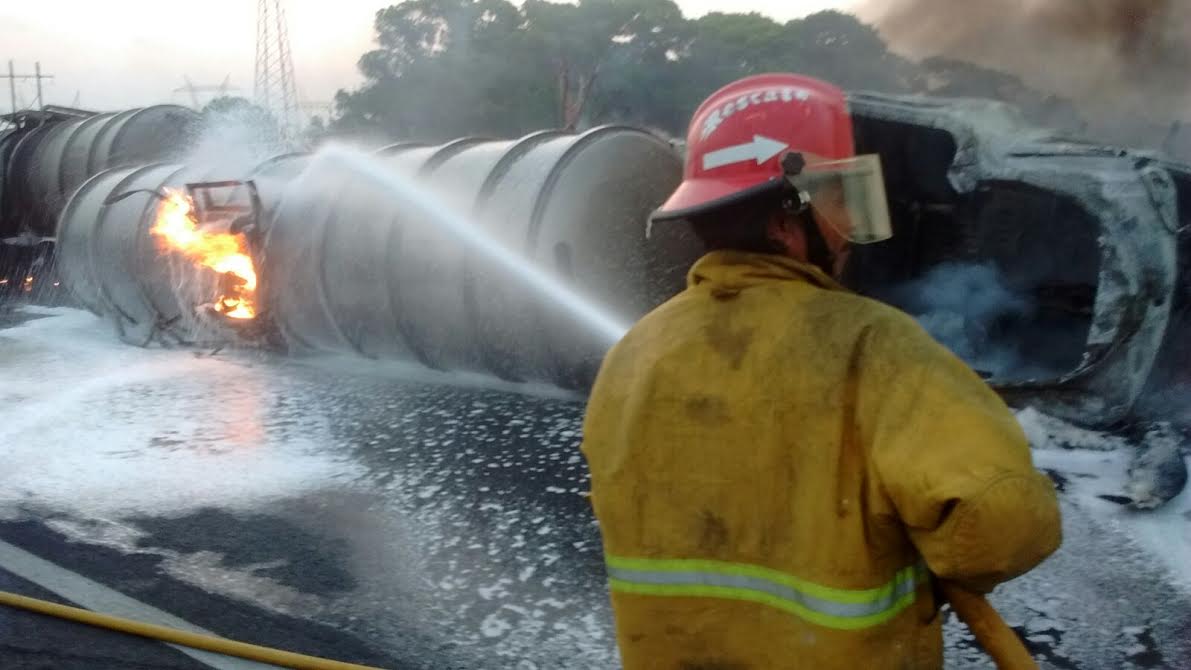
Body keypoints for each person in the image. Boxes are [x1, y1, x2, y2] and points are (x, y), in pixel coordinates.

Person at [579, 73, 1062, 669]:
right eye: (838, 203)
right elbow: (1003, 527)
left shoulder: (632, 353)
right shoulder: (877, 346)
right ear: (786, 224)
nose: (848, 235)